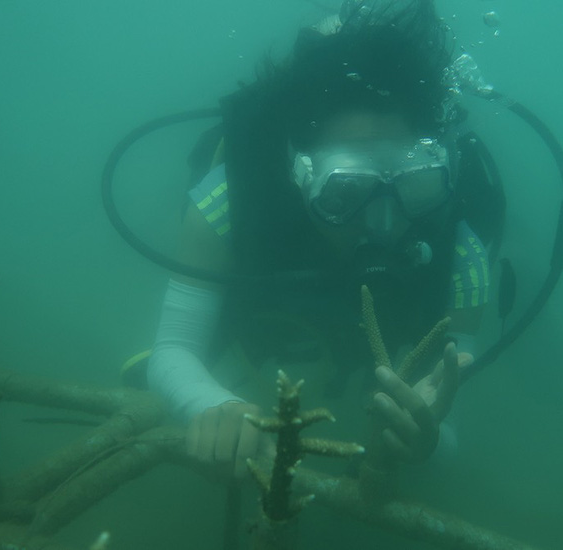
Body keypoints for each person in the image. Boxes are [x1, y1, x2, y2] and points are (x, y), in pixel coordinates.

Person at [148, 0, 498, 479]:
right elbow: (173, 348)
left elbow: (447, 427)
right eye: (346, 190)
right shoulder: (230, 200)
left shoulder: (460, 251)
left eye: (415, 184)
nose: (382, 221)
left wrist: (426, 439)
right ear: (299, 174)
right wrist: (212, 402)